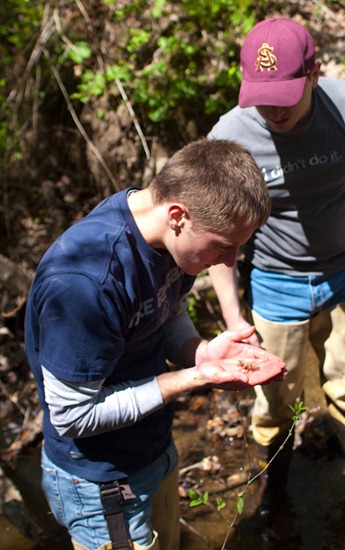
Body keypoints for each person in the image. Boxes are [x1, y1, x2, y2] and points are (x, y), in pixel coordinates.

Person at [24, 138, 288, 550]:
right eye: (223, 245)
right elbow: (71, 415)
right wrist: (193, 377)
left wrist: (198, 351)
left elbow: (168, 309)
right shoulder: (84, 285)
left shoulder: (168, 239)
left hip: (153, 450)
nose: (231, 262)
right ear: (178, 215)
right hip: (101, 481)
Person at [208, 17, 345, 526]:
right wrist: (234, 318)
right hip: (274, 284)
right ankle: (271, 492)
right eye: (261, 96)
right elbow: (218, 235)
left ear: (314, 73)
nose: (273, 109)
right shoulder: (231, 136)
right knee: (273, 403)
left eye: (285, 95)